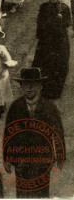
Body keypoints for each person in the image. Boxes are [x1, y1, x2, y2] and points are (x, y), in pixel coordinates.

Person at [4, 68, 65, 198]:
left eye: (33, 84)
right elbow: (8, 135)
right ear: (21, 86)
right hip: (21, 159)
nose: (29, 88)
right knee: (22, 192)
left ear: (41, 86)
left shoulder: (49, 107)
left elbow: (58, 132)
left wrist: (60, 156)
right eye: (25, 85)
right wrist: (7, 158)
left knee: (41, 192)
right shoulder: (15, 107)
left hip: (43, 158)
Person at [32, 0, 72, 99]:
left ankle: (55, 91)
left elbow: (68, 23)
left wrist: (60, 19)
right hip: (46, 40)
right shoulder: (44, 7)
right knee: (45, 63)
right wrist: (40, 35)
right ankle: (44, 89)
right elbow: (40, 22)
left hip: (60, 41)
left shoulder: (64, 8)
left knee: (59, 65)